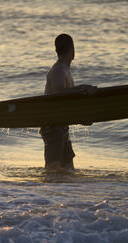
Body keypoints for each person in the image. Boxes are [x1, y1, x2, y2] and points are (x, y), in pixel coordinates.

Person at [40, 34, 77, 172]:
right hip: (52, 126)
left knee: (68, 169)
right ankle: (49, 192)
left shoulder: (64, 69)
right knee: (53, 168)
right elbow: (59, 94)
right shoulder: (58, 70)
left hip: (61, 125)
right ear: (72, 49)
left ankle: (61, 193)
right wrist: (80, 89)